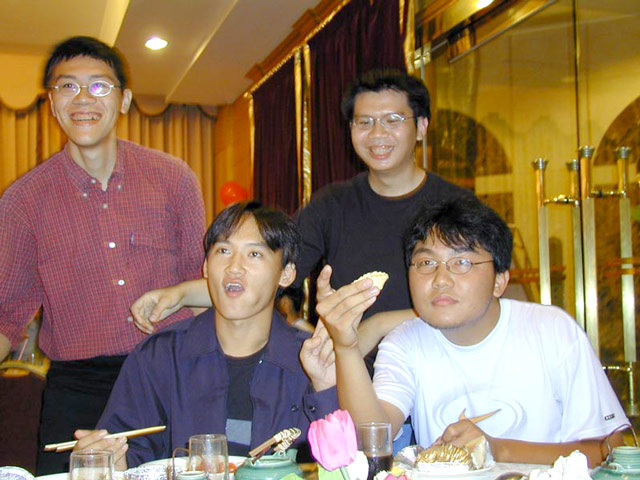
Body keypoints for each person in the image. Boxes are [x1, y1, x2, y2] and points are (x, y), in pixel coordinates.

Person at [131, 68, 469, 356]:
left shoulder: (458, 206)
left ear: (421, 126)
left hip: (441, 365)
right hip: (351, 377)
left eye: (392, 120)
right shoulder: (332, 205)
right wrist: (178, 294)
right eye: (364, 122)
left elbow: (480, 298)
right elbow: (264, 275)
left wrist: (379, 325)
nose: (377, 134)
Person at [0, 36, 206, 474]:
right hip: (79, 390)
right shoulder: (22, 202)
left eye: (99, 86)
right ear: (51, 102)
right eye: (67, 86)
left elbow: (210, 289)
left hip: (173, 375)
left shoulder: (174, 180)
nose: (82, 99)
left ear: (124, 99)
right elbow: (6, 314)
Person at [317, 196, 630, 467]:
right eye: (426, 263)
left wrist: (497, 449)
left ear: (499, 280)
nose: (441, 279)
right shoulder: (406, 342)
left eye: (462, 262)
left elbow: (610, 448)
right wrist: (345, 346)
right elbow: (371, 440)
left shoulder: (551, 331)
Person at [73, 201, 337, 469]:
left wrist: (326, 390)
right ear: (206, 267)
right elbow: (130, 452)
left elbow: (340, 460)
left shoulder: (312, 361)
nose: (234, 267)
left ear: (286, 274)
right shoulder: (160, 356)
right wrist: (112, 460)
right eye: (223, 251)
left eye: (254, 254)